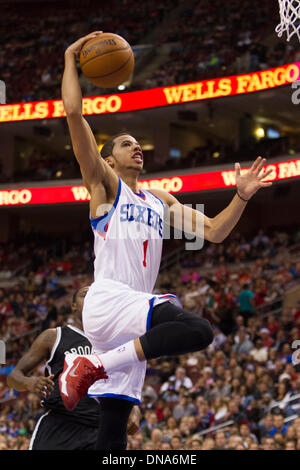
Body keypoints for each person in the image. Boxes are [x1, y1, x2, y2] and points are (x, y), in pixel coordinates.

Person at [58, 31, 274, 450]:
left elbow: (214, 231)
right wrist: (71, 58)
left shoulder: (159, 200)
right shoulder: (105, 186)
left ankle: (94, 366)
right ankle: (91, 364)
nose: (136, 148)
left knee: (113, 434)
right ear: (107, 160)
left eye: (139, 144)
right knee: (195, 327)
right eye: (125, 144)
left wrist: (242, 196)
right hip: (110, 301)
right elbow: (72, 113)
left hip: (130, 318)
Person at [7, 286, 140, 450]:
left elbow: (123, 382)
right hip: (61, 425)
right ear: (73, 305)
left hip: (101, 429)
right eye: (85, 295)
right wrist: (29, 383)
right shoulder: (54, 336)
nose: (92, 298)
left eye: (96, 295)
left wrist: (133, 407)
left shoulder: (115, 341)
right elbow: (13, 376)